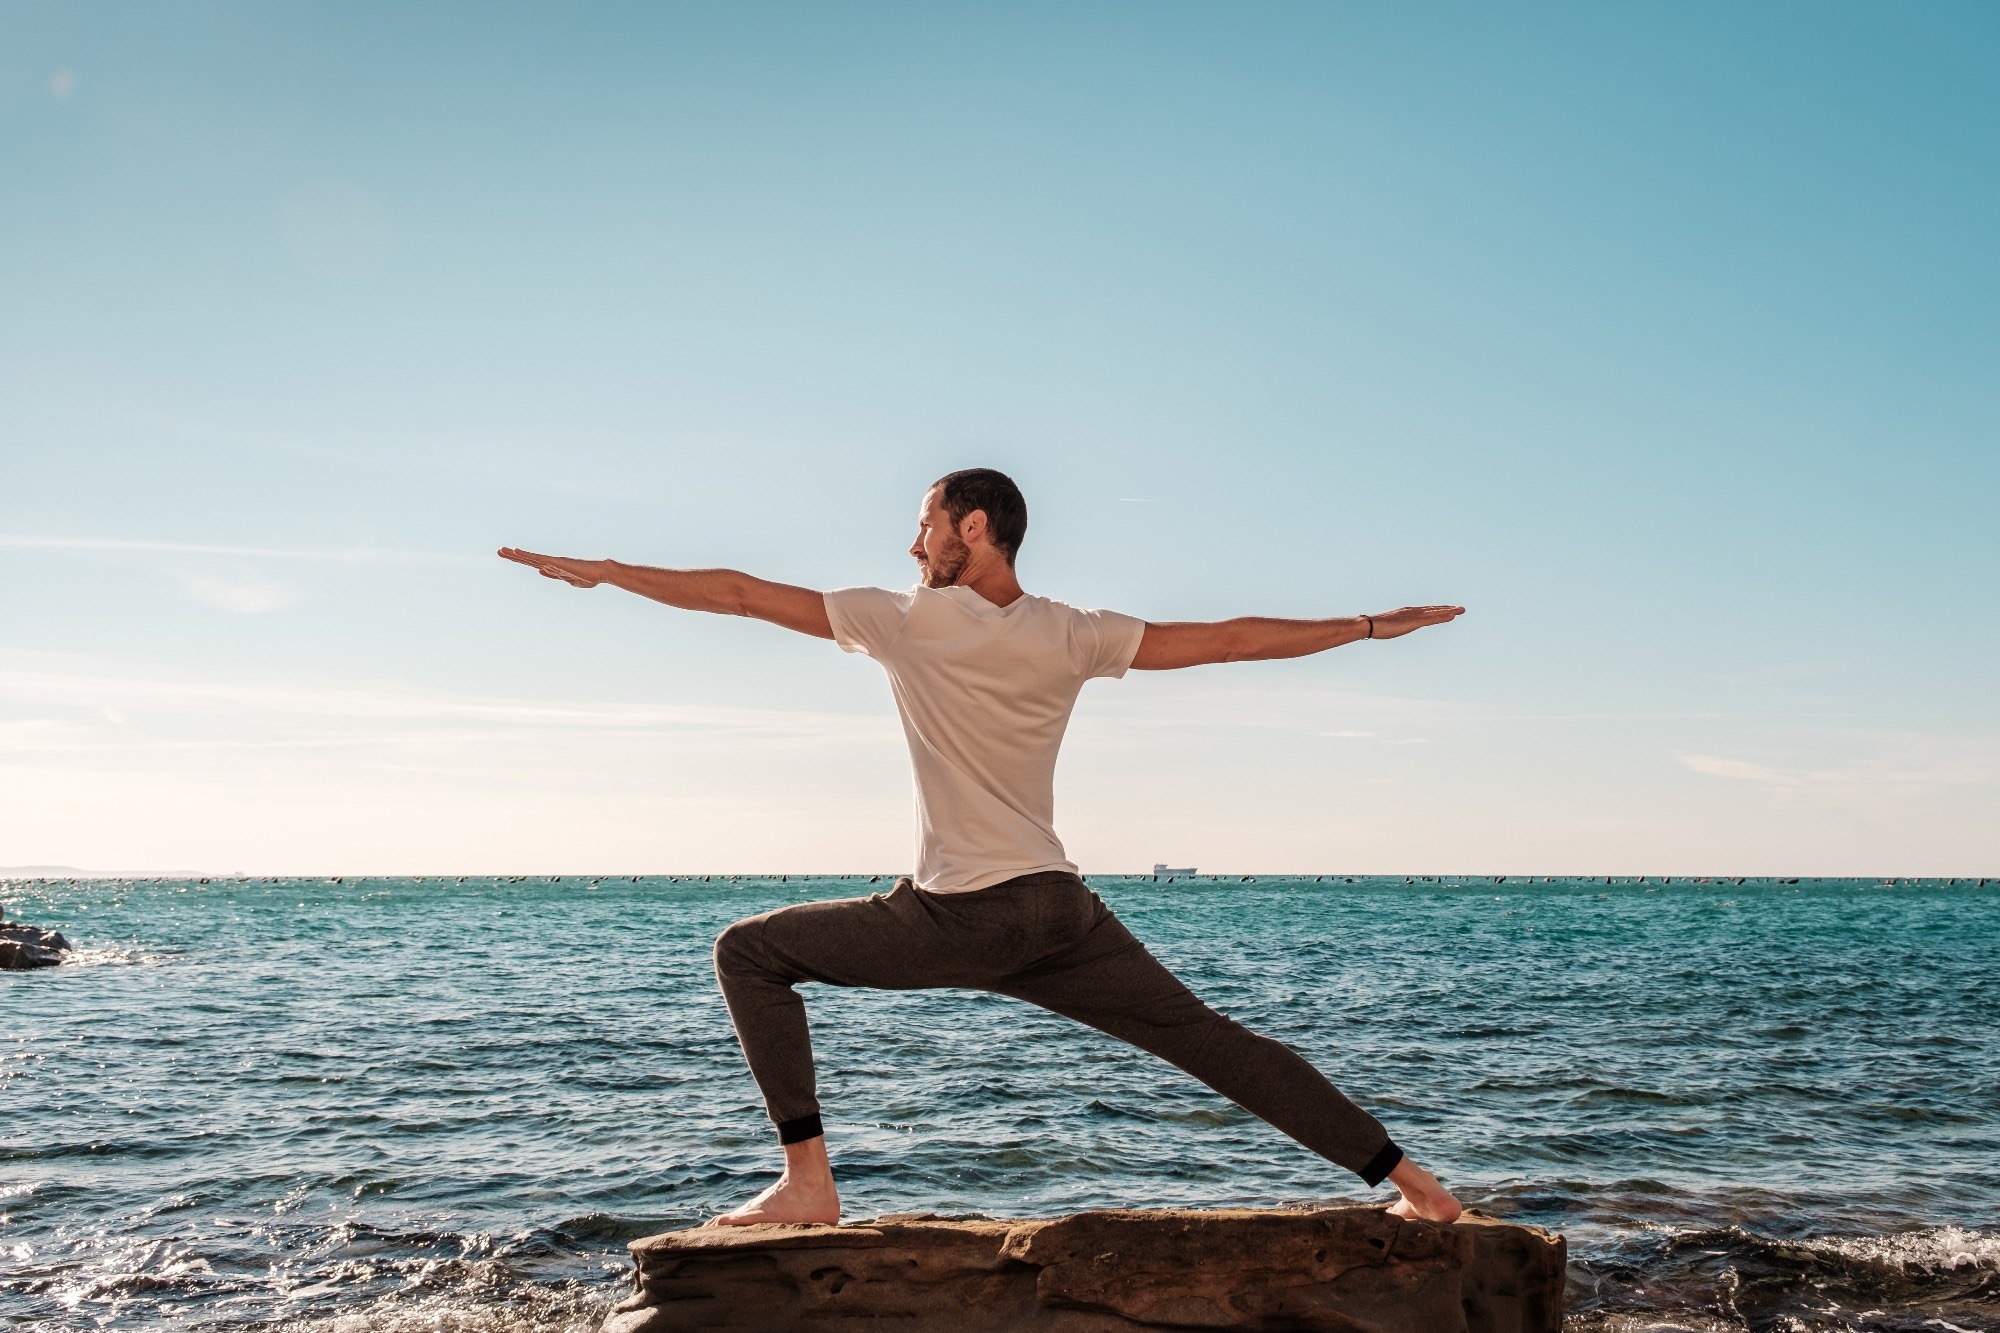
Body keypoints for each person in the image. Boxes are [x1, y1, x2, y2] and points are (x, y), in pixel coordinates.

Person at [499, 467, 1466, 1227]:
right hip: (1057, 910)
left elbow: (745, 594)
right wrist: (1370, 627)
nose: (910, 542)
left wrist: (612, 572)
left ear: (972, 528)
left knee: (749, 951)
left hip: (963, 912)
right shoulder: (1074, 631)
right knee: (1215, 1045)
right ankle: (1419, 1185)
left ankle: (806, 1183)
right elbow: (1226, 640)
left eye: (924, 523)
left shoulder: (906, 619)